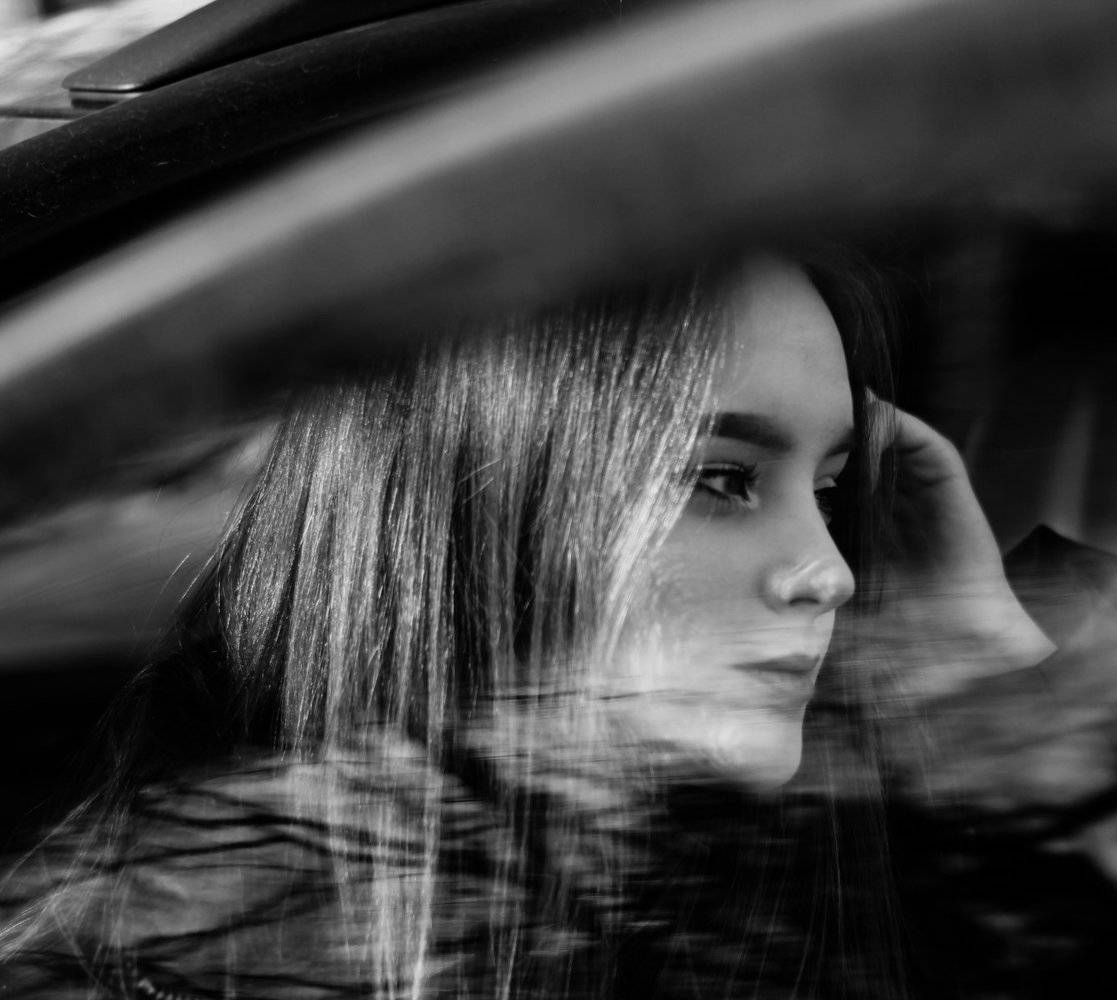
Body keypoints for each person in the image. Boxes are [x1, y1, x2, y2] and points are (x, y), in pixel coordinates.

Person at [0, 251, 1053, 999]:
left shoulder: (760, 900)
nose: (831, 573)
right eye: (721, 481)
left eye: (828, 493)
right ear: (478, 512)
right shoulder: (173, 944)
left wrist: (992, 670)